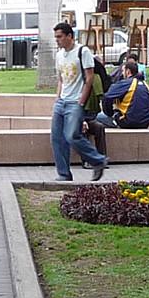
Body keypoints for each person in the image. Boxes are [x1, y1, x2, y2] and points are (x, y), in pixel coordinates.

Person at [49, 21, 108, 182]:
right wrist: (57, 99)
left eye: (60, 37)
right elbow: (61, 79)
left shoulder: (83, 51)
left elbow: (89, 79)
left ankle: (98, 160)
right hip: (62, 101)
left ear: (69, 36)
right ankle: (64, 174)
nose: (57, 40)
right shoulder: (60, 55)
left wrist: (81, 101)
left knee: (71, 135)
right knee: (56, 138)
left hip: (75, 102)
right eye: (56, 37)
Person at [101, 59, 149, 128]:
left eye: (123, 71)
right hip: (145, 122)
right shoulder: (145, 84)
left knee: (97, 117)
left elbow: (107, 97)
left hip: (127, 121)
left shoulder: (126, 83)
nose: (122, 73)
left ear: (128, 72)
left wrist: (109, 113)